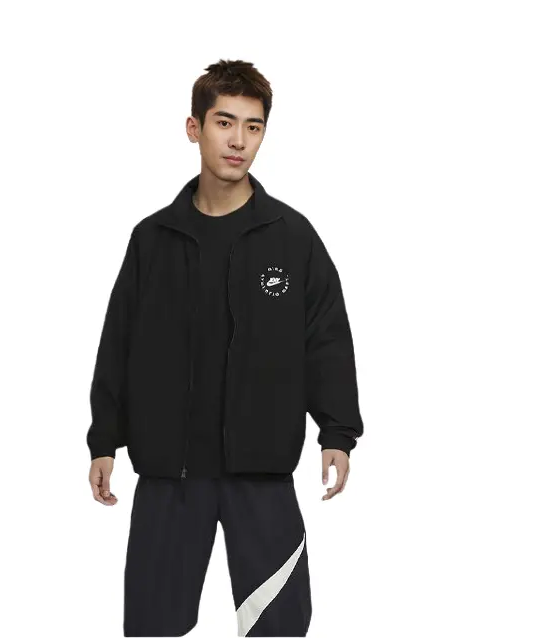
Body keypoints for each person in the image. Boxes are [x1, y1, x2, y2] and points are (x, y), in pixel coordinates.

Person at [86, 58, 364, 637]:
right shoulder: (153, 239)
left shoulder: (292, 237)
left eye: (253, 126)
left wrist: (337, 433)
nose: (238, 140)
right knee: (152, 626)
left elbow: (327, 338)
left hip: (261, 472)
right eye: (224, 122)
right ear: (194, 128)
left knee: (278, 626)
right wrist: (104, 439)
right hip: (169, 474)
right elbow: (119, 341)